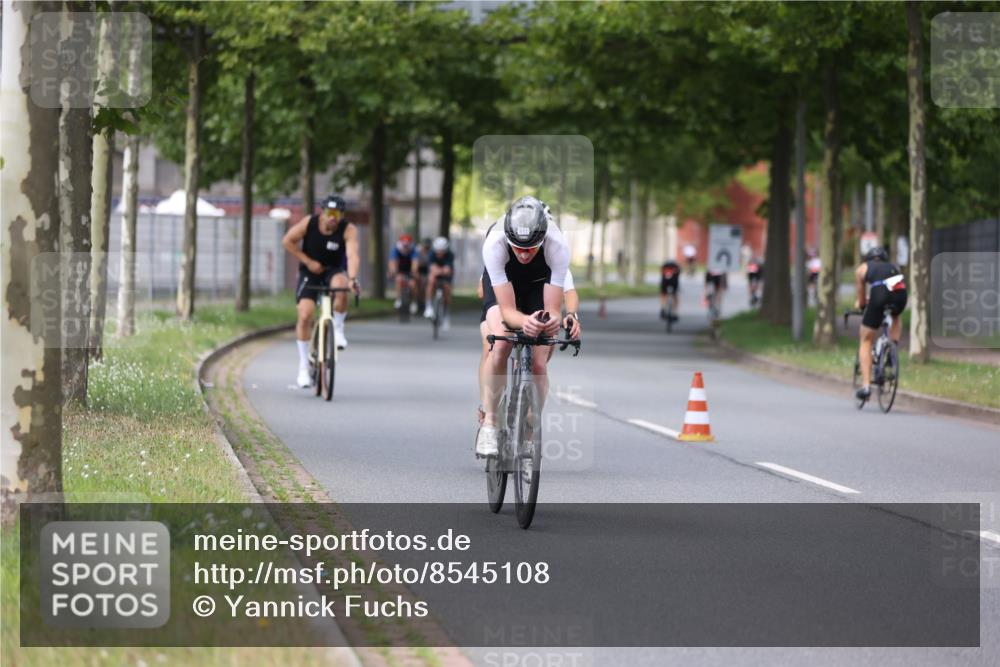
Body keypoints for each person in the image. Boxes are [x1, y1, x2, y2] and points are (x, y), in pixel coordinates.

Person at [476, 195, 571, 457]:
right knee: (501, 343)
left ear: (543, 239)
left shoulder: (557, 245)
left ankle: (530, 428)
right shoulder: (495, 243)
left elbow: (553, 310)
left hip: (539, 283)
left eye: (531, 248)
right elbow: (507, 311)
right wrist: (525, 321)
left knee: (539, 362)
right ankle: (490, 423)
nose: (524, 253)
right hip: (504, 283)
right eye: (518, 247)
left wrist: (550, 321)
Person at [476, 268, 581, 425]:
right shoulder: (502, 258)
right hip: (506, 309)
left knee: (539, 363)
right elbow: (482, 291)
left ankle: (531, 426)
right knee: (491, 346)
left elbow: (569, 292)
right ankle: (487, 406)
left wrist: (571, 314)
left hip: (536, 309)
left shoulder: (552, 260)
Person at [282, 195, 360, 388]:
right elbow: (288, 241)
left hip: (333, 270)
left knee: (341, 285)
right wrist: (308, 261)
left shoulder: (348, 229)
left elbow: (352, 255)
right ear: (323, 212)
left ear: (342, 215)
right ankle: (303, 366)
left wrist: (352, 278)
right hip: (310, 271)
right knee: (305, 315)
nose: (333, 217)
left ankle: (338, 329)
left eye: (337, 214)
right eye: (329, 213)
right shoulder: (309, 223)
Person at [853, 246, 907, 401]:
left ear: (868, 259)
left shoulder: (862, 268)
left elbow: (861, 297)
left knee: (866, 339)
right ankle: (892, 349)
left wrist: (862, 305)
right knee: (895, 316)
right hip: (901, 295)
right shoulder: (894, 267)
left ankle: (866, 387)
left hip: (879, 295)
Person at [423, 236, 455, 331]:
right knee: (431, 280)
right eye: (438, 251)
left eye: (442, 251)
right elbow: (432, 269)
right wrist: (440, 270)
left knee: (447, 288)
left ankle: (446, 314)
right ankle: (428, 306)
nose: (439, 253)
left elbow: (448, 270)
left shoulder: (450, 255)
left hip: (446, 276)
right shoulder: (431, 254)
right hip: (436, 274)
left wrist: (440, 270)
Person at [388, 233, 419, 313]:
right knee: (398, 280)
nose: (405, 247)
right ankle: (398, 299)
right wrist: (392, 270)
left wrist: (414, 271)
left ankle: (414, 301)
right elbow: (392, 261)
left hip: (409, 269)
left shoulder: (413, 250)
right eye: (404, 245)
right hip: (400, 269)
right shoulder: (396, 249)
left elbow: (415, 262)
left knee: (413, 284)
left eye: (407, 245)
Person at [414, 238, 432, 313]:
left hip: (427, 271)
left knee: (427, 284)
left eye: (427, 247)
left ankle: (426, 302)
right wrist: (416, 272)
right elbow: (415, 263)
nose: (426, 248)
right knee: (416, 283)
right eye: (425, 246)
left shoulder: (431, 253)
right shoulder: (417, 252)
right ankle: (415, 300)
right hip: (419, 270)